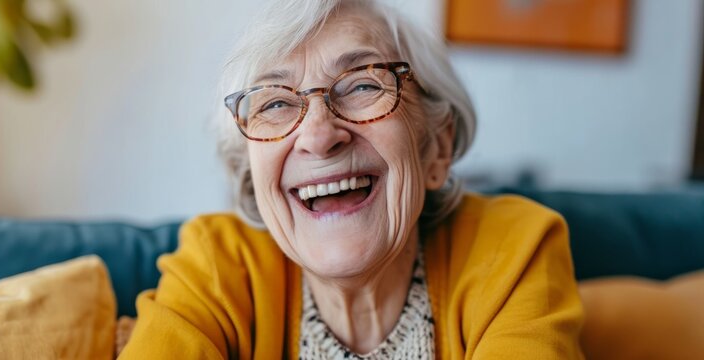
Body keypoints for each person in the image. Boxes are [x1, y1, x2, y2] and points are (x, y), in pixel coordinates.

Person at [120, 0, 584, 358]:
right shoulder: (217, 264)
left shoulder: (512, 246)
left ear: (436, 147)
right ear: (250, 171)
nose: (319, 136)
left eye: (363, 84)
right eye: (275, 104)